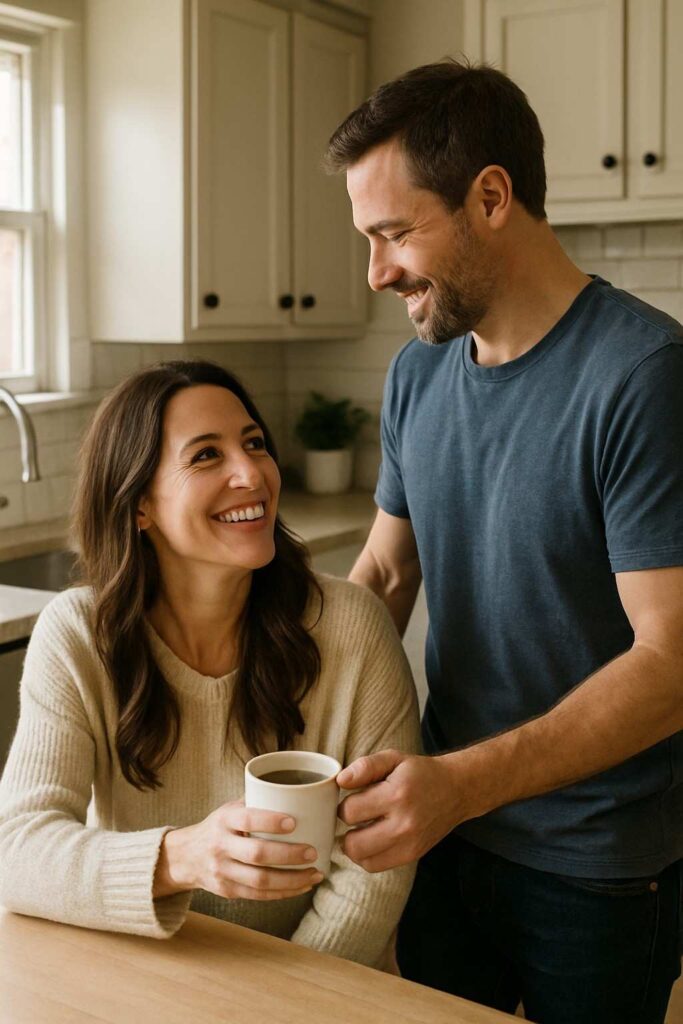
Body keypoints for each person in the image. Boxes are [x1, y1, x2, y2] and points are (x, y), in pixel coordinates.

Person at [324, 59, 683, 1023]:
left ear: (490, 197)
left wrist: (457, 786)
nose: (377, 271)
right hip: (446, 838)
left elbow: (672, 658)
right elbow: (385, 573)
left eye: (395, 232)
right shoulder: (418, 374)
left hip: (597, 867)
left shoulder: (643, 375)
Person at [0, 360, 420, 967]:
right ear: (139, 504)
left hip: (316, 990)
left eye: (254, 444)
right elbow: (16, 851)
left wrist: (277, 1002)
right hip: (151, 975)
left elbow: (374, 868)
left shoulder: (353, 628)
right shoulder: (79, 636)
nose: (252, 473)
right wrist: (180, 857)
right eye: (205, 456)